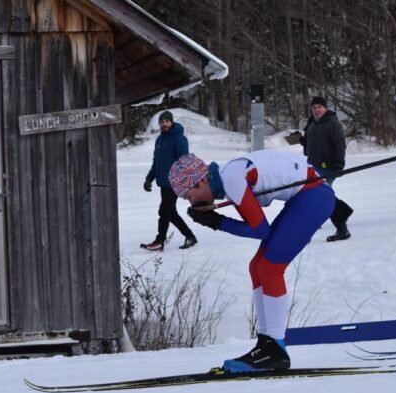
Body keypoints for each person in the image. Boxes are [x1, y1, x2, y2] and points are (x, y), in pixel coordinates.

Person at [169, 151, 335, 372]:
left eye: (189, 196)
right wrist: (217, 220)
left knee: (270, 268)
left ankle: (275, 349)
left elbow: (260, 230)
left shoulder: (232, 179)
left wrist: (217, 222)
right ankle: (267, 343)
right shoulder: (229, 178)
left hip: (314, 196)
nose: (191, 202)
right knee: (257, 267)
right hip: (308, 195)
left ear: (200, 181)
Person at [140, 111, 197, 251]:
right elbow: (157, 163)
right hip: (163, 183)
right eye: (162, 121)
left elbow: (185, 161)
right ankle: (190, 236)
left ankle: (160, 241)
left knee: (164, 211)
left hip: (174, 182)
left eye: (167, 121)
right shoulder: (159, 140)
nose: (164, 124)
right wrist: (149, 179)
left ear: (171, 122)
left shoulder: (179, 138)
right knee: (170, 212)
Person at [299, 96, 353, 241]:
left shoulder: (332, 124)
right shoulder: (312, 124)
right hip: (313, 166)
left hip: (328, 167)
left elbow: (340, 144)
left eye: (319, 107)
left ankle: (342, 229)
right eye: (314, 107)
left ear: (325, 108)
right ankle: (343, 213)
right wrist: (303, 141)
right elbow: (312, 144)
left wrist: (339, 164)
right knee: (318, 195)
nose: (316, 110)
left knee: (321, 195)